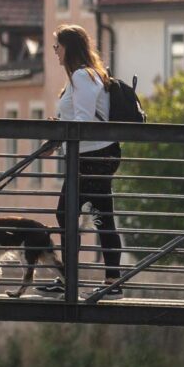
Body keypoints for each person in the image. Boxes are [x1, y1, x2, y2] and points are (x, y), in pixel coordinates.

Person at [52, 24, 125, 294]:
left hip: (91, 156)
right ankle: (110, 281)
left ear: (68, 47)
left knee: (68, 213)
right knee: (100, 215)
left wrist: (62, 133)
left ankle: (70, 280)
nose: (55, 52)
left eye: (57, 46)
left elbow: (83, 122)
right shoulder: (85, 75)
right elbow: (78, 118)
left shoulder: (83, 76)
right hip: (96, 154)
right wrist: (57, 134)